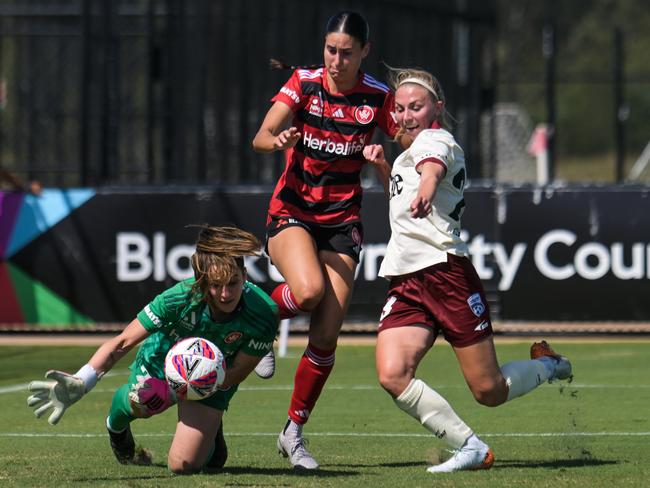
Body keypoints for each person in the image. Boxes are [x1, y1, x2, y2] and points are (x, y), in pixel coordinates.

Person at [363, 67, 573, 473]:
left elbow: (432, 172)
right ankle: (470, 446)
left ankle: (548, 364)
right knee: (392, 374)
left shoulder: (437, 140)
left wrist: (426, 190)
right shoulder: (408, 153)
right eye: (401, 108)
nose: (407, 116)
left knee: (489, 391)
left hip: (445, 275)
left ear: (436, 108)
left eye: (417, 107)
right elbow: (408, 190)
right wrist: (383, 170)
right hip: (407, 280)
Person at [251, 11, 404, 470]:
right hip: (293, 211)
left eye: (346, 53)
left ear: (364, 53)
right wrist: (278, 142)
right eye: (330, 50)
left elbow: (406, 156)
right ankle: (256, 316)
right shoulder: (303, 82)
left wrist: (381, 161)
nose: (336, 60)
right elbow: (260, 135)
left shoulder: (378, 97)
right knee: (310, 290)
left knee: (326, 333)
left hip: (342, 220)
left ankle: (292, 432)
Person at [27, 225, 279, 474]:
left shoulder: (264, 315)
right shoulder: (179, 297)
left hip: (216, 375)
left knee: (185, 465)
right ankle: (116, 426)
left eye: (233, 283)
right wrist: (83, 380)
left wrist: (188, 387)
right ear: (203, 280)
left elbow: (237, 372)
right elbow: (123, 342)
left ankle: (210, 433)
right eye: (215, 285)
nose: (225, 293)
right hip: (161, 358)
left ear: (245, 275)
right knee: (145, 402)